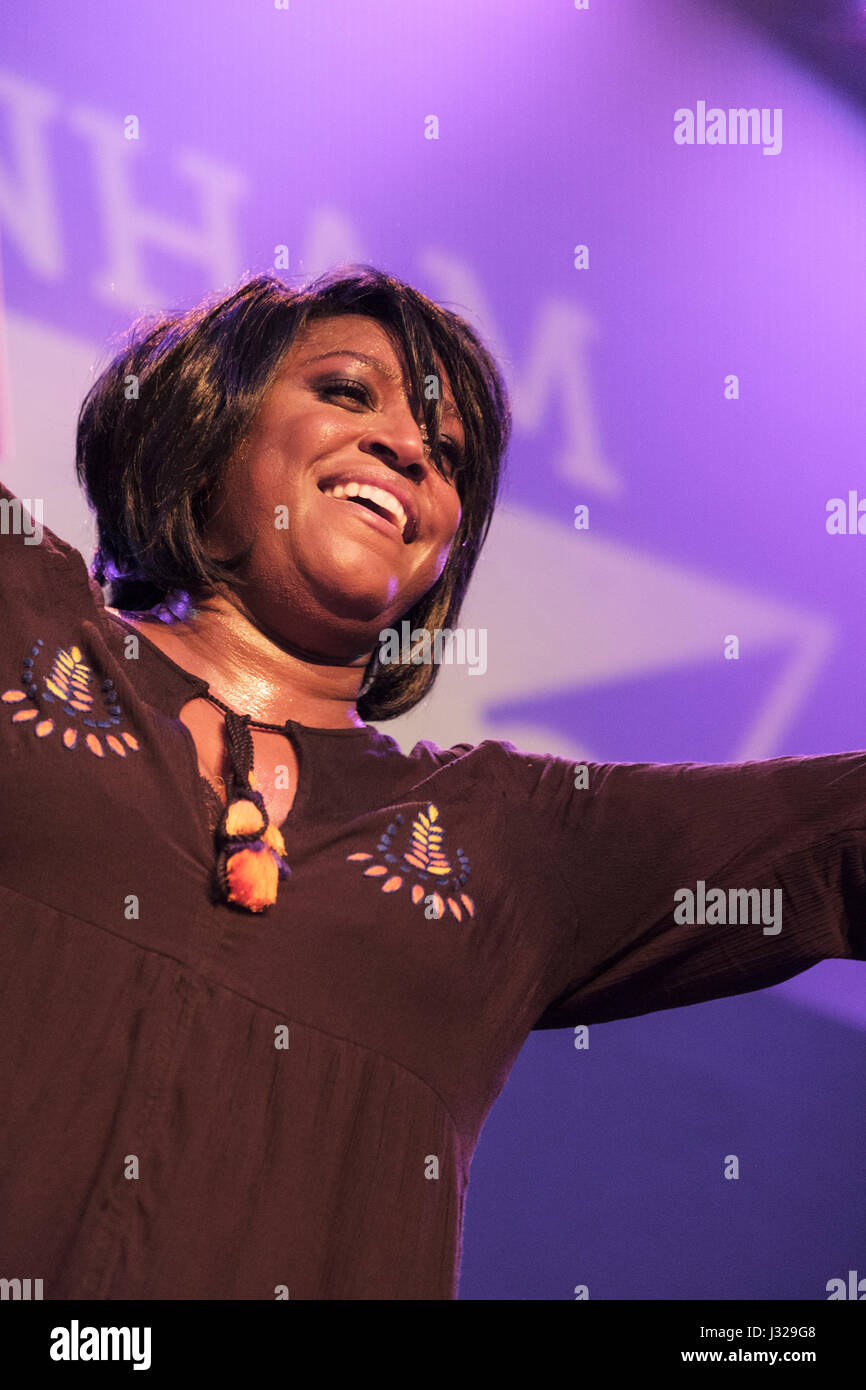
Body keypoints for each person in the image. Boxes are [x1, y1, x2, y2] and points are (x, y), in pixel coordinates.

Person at [0, 265, 862, 1300]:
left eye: (444, 455)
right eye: (347, 392)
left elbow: (834, 836)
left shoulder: (513, 840)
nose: (406, 447)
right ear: (207, 427)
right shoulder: (26, 623)